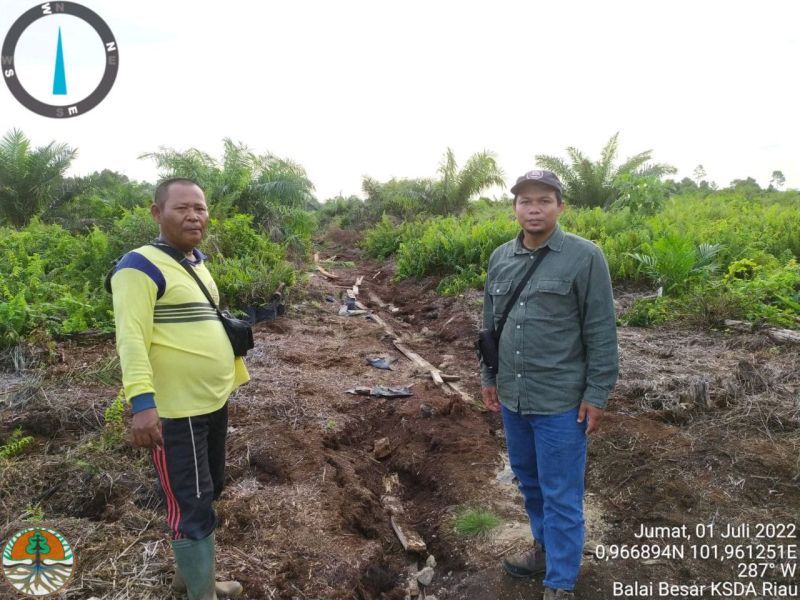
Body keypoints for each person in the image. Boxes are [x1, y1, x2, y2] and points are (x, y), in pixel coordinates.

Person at [480, 170, 619, 600]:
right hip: (513, 398)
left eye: (544, 200)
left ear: (560, 206)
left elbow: (601, 331)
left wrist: (597, 394)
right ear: (515, 208)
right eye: (525, 201)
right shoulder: (500, 258)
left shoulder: (585, 256)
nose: (534, 209)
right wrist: (489, 378)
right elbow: (489, 326)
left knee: (561, 494)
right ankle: (544, 550)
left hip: (561, 402)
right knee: (529, 481)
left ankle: (560, 582)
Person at [110, 178, 249, 599]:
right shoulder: (138, 267)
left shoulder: (194, 262)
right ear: (157, 213)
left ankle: (191, 578)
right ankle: (201, 594)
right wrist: (142, 404)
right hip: (175, 411)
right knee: (189, 501)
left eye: (200, 208)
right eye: (182, 208)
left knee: (209, 489)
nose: (194, 216)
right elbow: (131, 339)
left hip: (211, 401)